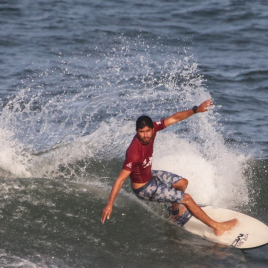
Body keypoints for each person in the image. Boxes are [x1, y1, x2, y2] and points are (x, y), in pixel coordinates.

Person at [100, 99, 238, 236]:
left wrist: (195, 110)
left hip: (150, 175)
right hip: (144, 188)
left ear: (152, 128)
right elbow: (120, 180)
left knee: (182, 183)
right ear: (137, 131)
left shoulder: (153, 130)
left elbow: (174, 118)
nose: (146, 135)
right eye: (141, 132)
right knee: (187, 198)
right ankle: (217, 227)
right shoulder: (134, 153)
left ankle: (174, 213)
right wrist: (109, 204)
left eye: (148, 131)